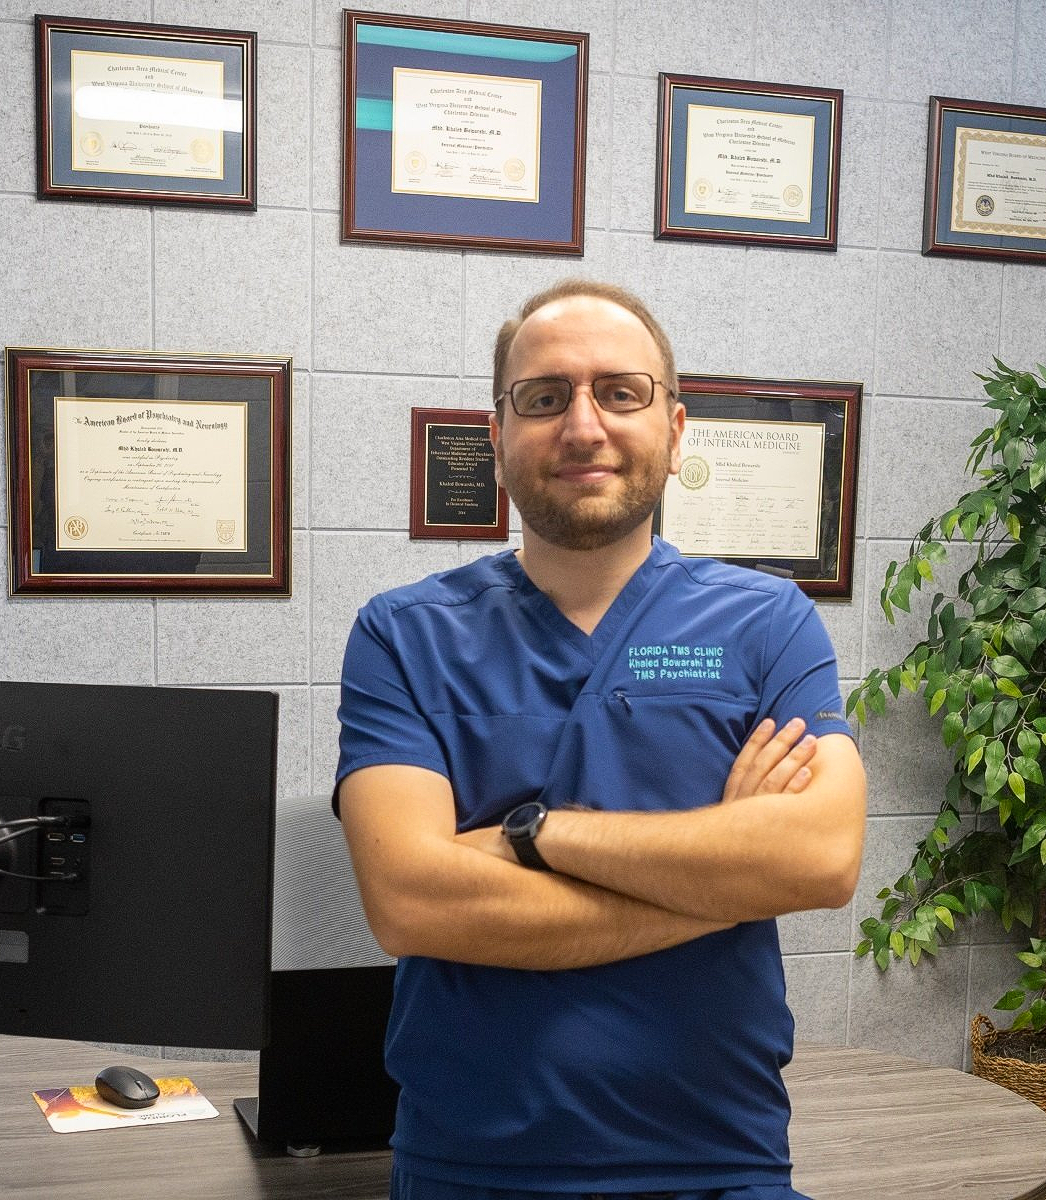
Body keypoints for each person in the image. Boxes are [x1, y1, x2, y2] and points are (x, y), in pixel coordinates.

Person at [334, 279, 867, 1200]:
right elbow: (412, 901)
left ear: (676, 426)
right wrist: (721, 880)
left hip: (720, 1162)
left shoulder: (768, 620)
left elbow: (818, 857)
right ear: (496, 433)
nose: (584, 426)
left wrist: (534, 833)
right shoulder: (403, 634)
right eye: (544, 398)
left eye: (621, 392)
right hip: (472, 1168)